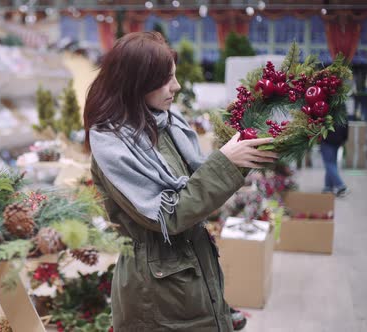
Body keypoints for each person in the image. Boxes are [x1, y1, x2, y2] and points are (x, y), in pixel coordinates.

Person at [83, 32, 278, 332]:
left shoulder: (164, 124)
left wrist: (241, 157)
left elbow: (194, 185)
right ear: (136, 83)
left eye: (174, 76)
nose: (176, 86)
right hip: (156, 293)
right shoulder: (114, 147)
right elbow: (169, 215)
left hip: (186, 274)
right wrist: (226, 162)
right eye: (165, 79)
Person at [320, 122, 349, 197]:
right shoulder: (342, 111)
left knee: (329, 164)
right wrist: (344, 138)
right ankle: (328, 187)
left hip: (328, 139)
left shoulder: (328, 111)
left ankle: (340, 185)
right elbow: (346, 125)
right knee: (332, 163)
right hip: (338, 139)